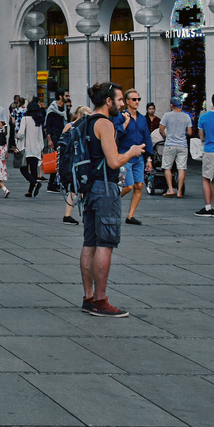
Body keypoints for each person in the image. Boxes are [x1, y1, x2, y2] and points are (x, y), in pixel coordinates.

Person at [77, 81, 145, 318]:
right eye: (118, 100)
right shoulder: (104, 123)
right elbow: (114, 161)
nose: (122, 104)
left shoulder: (84, 120)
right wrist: (132, 152)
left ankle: (88, 297)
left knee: (89, 243)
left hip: (88, 188)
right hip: (104, 187)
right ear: (108, 101)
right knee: (105, 244)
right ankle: (101, 300)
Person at [116, 88, 149, 225]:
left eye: (138, 99)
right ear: (127, 101)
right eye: (134, 99)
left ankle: (130, 216)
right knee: (128, 186)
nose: (137, 102)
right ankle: (111, 202)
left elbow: (147, 137)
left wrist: (149, 159)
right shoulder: (121, 116)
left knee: (139, 186)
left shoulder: (142, 118)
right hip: (125, 155)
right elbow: (116, 133)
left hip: (139, 157)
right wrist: (126, 122)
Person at [159, 97, 192, 197]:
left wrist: (166, 136)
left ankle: (170, 189)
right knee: (181, 168)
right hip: (182, 145)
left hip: (170, 144)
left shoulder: (167, 115)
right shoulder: (186, 117)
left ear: (172, 105)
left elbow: (161, 129)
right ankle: (179, 191)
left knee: (167, 167)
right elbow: (190, 132)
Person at [17, 98, 46, 196]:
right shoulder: (39, 119)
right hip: (36, 147)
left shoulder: (25, 119)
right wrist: (41, 148)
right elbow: (40, 136)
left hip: (27, 147)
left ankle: (35, 183)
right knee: (34, 169)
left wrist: (17, 136)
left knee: (23, 168)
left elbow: (21, 133)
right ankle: (30, 190)